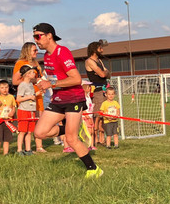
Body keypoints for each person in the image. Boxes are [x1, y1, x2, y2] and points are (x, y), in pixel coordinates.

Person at [32, 23, 102, 179]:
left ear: (49, 35)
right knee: (39, 132)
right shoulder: (47, 56)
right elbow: (53, 78)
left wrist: (52, 84)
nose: (36, 40)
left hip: (73, 98)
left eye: (38, 36)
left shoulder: (62, 52)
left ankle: (94, 169)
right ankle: (71, 129)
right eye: (34, 37)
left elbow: (76, 79)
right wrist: (40, 82)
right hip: (58, 98)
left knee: (71, 139)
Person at [12, 41, 47, 152]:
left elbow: (40, 78)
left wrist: (42, 84)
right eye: (34, 50)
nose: (37, 52)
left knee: (39, 120)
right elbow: (15, 81)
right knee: (25, 123)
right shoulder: (21, 63)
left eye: (37, 50)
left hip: (38, 95)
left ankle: (39, 146)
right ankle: (23, 147)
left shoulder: (36, 63)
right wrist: (33, 80)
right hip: (26, 98)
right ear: (27, 51)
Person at [85, 41, 111, 146]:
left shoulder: (99, 60)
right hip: (97, 91)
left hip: (105, 90)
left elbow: (107, 74)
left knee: (104, 115)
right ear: (95, 49)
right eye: (100, 48)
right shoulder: (89, 61)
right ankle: (94, 140)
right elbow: (102, 74)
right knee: (97, 116)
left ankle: (102, 139)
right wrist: (104, 73)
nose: (102, 50)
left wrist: (104, 73)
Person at [16, 65, 39, 155]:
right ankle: (19, 149)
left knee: (29, 131)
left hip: (31, 110)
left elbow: (32, 95)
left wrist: (38, 93)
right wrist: (29, 97)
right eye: (32, 72)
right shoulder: (22, 85)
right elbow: (18, 99)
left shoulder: (30, 85)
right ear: (27, 74)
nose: (34, 74)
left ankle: (28, 149)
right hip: (23, 110)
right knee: (22, 131)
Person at [0, 79, 17, 156]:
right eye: (2, 88)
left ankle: (6, 153)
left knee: (7, 138)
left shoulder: (11, 97)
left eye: (6, 87)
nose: (5, 89)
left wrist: (13, 112)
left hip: (8, 120)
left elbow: (13, 106)